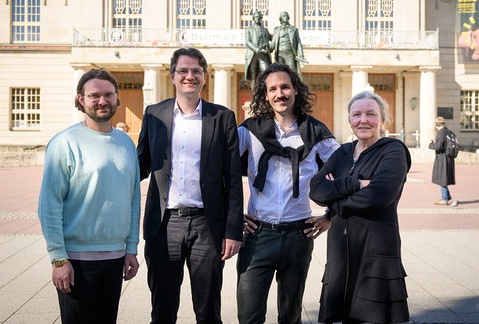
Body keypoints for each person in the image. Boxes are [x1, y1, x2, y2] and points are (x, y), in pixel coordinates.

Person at [137, 47, 243, 324]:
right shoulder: (154, 114)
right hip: (164, 223)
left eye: (196, 71)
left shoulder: (222, 117)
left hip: (206, 225)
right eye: (183, 71)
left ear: (205, 77)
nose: (189, 76)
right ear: (172, 76)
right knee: (162, 309)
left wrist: (233, 232)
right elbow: (141, 165)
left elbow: (232, 178)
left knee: (208, 310)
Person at [237, 63, 339, 324]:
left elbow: (344, 173)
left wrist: (330, 216)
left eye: (284, 87)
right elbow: (219, 172)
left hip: (298, 235)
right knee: (248, 316)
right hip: (258, 235)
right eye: (272, 89)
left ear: (296, 91)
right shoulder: (249, 130)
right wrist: (234, 215)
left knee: (291, 316)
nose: (279, 93)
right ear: (265, 94)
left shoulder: (317, 132)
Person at [38, 69, 141, 324]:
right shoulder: (64, 142)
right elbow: (49, 205)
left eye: (108, 95)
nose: (102, 101)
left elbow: (133, 199)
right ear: (81, 99)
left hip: (115, 259)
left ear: (117, 98)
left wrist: (131, 249)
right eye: (94, 96)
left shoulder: (126, 143)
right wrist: (58, 259)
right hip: (76, 261)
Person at [309, 90, 410, 324]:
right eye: (357, 114)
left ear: (383, 120)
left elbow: (378, 196)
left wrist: (335, 203)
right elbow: (316, 189)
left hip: (375, 251)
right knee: (343, 317)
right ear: (349, 120)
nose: (363, 120)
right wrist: (356, 184)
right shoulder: (342, 152)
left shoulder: (393, 150)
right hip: (340, 255)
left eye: (371, 114)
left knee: (374, 318)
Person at [429, 116, 456, 205]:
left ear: (436, 125)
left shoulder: (441, 133)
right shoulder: (448, 131)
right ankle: (447, 196)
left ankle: (444, 199)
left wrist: (431, 144)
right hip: (448, 158)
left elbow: (438, 146)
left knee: (442, 178)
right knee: (444, 177)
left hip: (442, 158)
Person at [271, 11, 307, 78]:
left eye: (286, 16)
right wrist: (268, 49)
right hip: (279, 54)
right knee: (279, 71)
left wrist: (301, 55)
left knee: (292, 72)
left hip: (289, 54)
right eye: (283, 16)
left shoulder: (294, 29)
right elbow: (273, 43)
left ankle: (294, 87)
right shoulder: (277, 30)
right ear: (280, 19)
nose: (286, 17)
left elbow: (299, 43)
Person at [244, 10, 272, 88]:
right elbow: (248, 42)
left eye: (259, 17)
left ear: (261, 18)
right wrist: (256, 49)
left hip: (263, 55)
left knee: (266, 73)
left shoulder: (265, 30)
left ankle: (264, 91)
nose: (257, 18)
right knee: (253, 76)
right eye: (256, 17)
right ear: (253, 18)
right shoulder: (249, 29)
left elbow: (272, 39)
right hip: (253, 54)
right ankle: (254, 95)